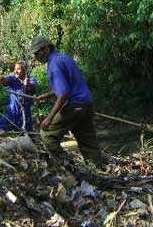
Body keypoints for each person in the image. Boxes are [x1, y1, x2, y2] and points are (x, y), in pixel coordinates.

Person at [29, 35, 104, 167]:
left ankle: (70, 167)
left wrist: (49, 118)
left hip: (74, 106)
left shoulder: (54, 65)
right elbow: (69, 85)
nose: (36, 57)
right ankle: (98, 172)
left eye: (37, 53)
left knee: (47, 134)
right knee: (88, 142)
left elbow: (63, 94)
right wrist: (50, 94)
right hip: (86, 104)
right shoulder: (64, 58)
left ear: (46, 49)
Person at [0, 61, 36, 133]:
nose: (15, 71)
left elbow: (33, 88)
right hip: (12, 112)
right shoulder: (12, 78)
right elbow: (5, 80)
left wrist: (28, 84)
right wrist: (0, 80)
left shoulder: (31, 79)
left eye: (18, 69)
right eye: (15, 69)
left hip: (25, 114)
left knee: (28, 134)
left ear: (25, 71)